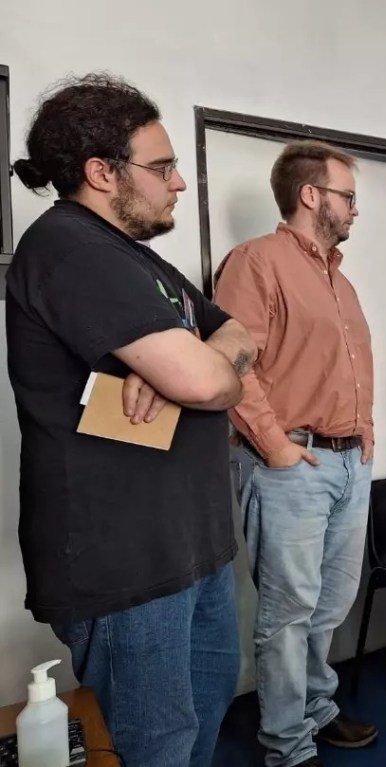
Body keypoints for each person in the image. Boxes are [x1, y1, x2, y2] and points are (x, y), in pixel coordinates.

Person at [5, 73, 255, 767]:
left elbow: (241, 334)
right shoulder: (69, 247)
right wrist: (194, 372)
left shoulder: (138, 259)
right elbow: (210, 380)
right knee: (156, 748)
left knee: (200, 725)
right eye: (162, 166)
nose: (178, 182)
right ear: (101, 172)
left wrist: (192, 364)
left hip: (191, 547)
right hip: (126, 568)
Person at [214, 141, 377, 767]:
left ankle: (317, 707)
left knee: (329, 604)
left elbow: (350, 368)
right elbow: (234, 363)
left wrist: (365, 435)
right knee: (288, 614)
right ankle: (287, 744)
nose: (355, 209)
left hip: (349, 463)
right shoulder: (256, 262)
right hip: (293, 465)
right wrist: (274, 445)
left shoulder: (340, 279)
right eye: (348, 196)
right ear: (311, 195)